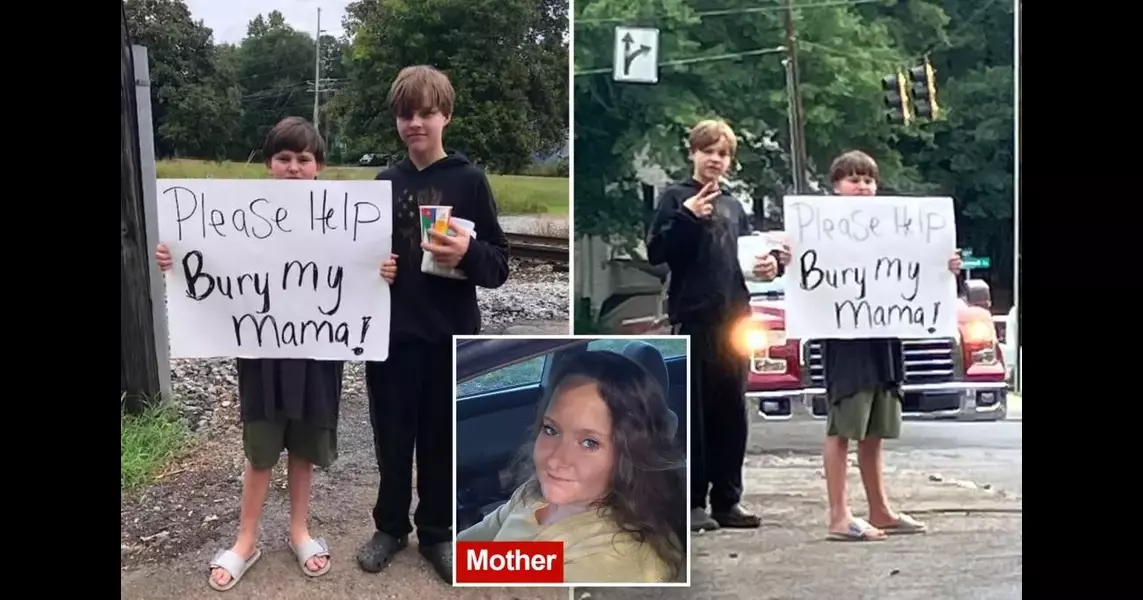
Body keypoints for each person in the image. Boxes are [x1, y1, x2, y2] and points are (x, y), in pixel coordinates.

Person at [155, 117, 398, 591]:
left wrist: (380, 271)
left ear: (319, 167)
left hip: (318, 353)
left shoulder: (342, 217)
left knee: (305, 449)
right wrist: (176, 260)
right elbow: (212, 261)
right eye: (284, 158)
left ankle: (299, 530)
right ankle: (246, 539)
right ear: (269, 164)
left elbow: (362, 272)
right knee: (261, 449)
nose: (293, 167)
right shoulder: (243, 213)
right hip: (263, 355)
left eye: (303, 159)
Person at [356, 65, 510, 584]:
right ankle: (391, 526)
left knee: (442, 440)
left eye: (425, 112)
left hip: (450, 337)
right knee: (392, 437)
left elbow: (499, 266)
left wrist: (468, 251)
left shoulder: (469, 181)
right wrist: (375, 268)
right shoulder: (383, 184)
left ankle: (439, 533)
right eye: (405, 114)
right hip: (392, 337)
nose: (415, 123)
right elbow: (359, 262)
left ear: (446, 115)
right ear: (396, 120)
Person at [760, 149, 962, 541]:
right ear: (836, 186)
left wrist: (947, 265)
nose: (863, 186)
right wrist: (782, 255)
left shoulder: (897, 227)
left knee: (875, 429)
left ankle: (880, 509)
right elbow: (790, 267)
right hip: (844, 341)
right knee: (843, 428)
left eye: (868, 179)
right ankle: (839, 515)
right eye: (853, 179)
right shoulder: (812, 227)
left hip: (884, 337)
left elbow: (923, 268)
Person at [646, 119, 779, 532]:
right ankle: (691, 503)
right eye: (708, 152)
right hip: (694, 316)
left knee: (731, 412)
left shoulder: (734, 206)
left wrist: (772, 266)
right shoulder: (675, 198)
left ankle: (727, 499)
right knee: (695, 414)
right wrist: (687, 217)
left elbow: (750, 262)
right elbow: (657, 253)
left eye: (722, 154)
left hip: (735, 318)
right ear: (693, 153)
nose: (715, 160)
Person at [456, 350, 686, 583]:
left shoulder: (619, 560)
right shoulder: (533, 495)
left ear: (631, 455)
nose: (556, 460)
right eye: (551, 430)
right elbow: (463, 560)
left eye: (589, 443)